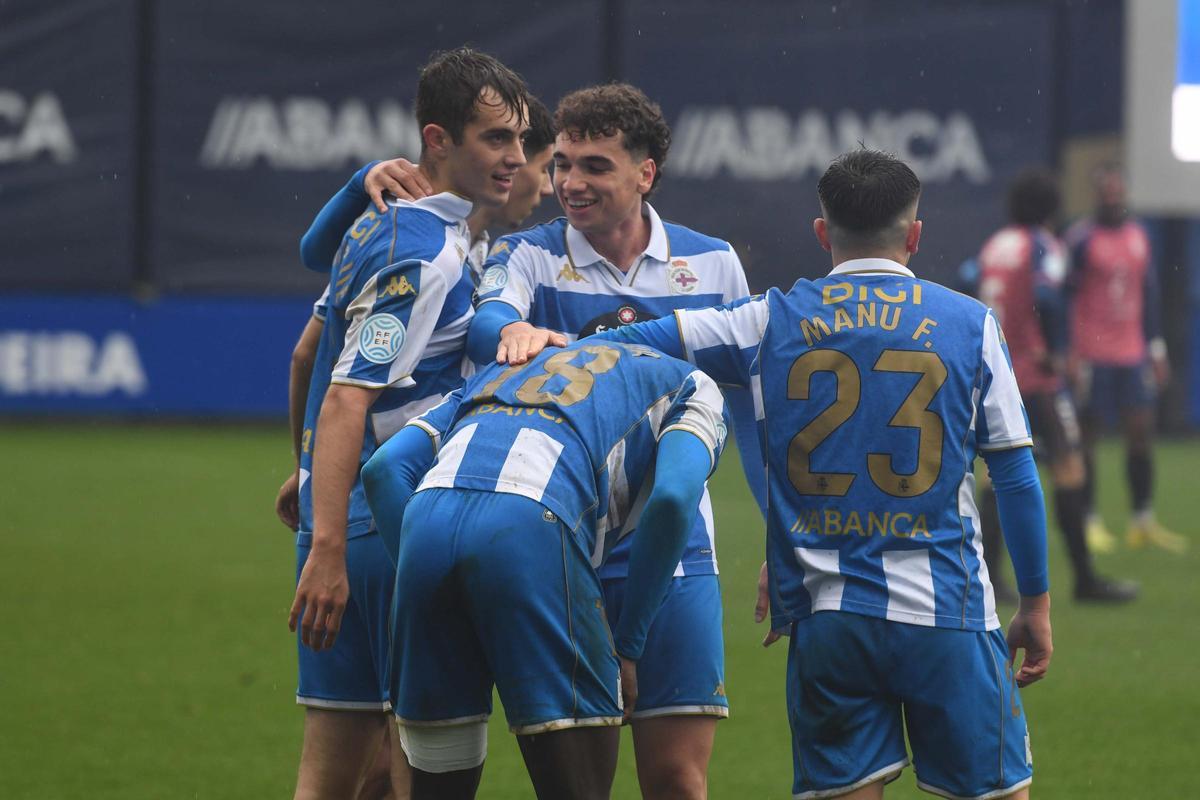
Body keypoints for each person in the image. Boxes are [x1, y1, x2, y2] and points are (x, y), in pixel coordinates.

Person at [571, 149, 1053, 799]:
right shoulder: (970, 325)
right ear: (914, 236)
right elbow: (1016, 476)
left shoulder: (767, 320)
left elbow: (625, 342)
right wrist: (1037, 603)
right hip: (949, 615)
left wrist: (535, 339)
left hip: (828, 622)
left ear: (822, 233)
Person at [470, 83, 766, 799]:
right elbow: (490, 320)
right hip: (560, 540)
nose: (571, 183)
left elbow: (752, 413)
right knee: (579, 782)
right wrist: (510, 329)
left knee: (676, 777)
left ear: (646, 173)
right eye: (564, 163)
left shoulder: (714, 266)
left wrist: (782, 536)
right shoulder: (529, 256)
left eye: (596, 166)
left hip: (676, 545)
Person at [284, 48, 530, 800]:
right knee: (401, 770)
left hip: (350, 520)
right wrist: (328, 544)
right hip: (382, 532)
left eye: (521, 142)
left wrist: (305, 476)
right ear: (438, 139)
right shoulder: (425, 257)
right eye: (496, 139)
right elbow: (346, 398)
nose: (516, 160)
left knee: (364, 768)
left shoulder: (384, 225)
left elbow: (308, 353)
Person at [359, 339, 730, 800]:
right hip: (534, 528)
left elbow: (382, 469)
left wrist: (425, 586)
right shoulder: (693, 383)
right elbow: (674, 499)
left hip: (426, 523)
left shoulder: (504, 372)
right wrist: (630, 645)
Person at [977, 169, 1138, 603]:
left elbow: (969, 282)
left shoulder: (997, 244)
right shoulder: (1043, 244)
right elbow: (1047, 295)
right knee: (1069, 466)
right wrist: (1055, 349)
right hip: (1036, 375)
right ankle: (1085, 579)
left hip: (998, 372)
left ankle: (990, 577)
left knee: (996, 474)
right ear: (1050, 208)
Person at [298, 95, 557, 284]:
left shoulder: (477, 249)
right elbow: (307, 354)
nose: (549, 188)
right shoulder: (405, 234)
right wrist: (358, 183)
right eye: (545, 168)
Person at [1064, 164, 1187, 553]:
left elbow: (1147, 295)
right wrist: (1071, 351)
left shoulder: (1138, 236)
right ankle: (1089, 520)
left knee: (1141, 433)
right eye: (1107, 193)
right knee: (1089, 438)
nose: (1113, 199)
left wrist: (1155, 347)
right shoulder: (1081, 239)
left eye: (1119, 193)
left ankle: (1142, 519)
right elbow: (1065, 298)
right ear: (1097, 195)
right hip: (1093, 353)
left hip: (1131, 351)